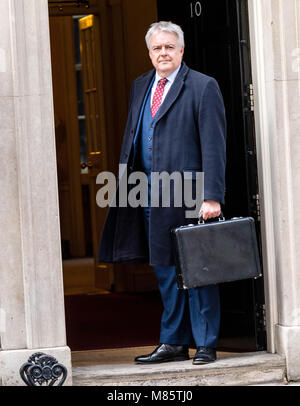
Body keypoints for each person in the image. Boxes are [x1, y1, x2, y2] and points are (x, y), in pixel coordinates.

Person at [98, 21, 226, 365]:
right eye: (157, 48)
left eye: (170, 47)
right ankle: (173, 342)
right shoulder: (141, 85)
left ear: (181, 50)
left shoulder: (202, 86)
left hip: (190, 195)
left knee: (198, 270)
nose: (163, 53)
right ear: (150, 52)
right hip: (148, 195)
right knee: (166, 272)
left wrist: (212, 195)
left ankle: (206, 343)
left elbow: (214, 145)